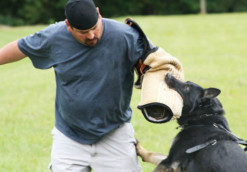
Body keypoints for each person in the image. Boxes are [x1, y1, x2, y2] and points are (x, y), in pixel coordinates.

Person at [0, 0, 149, 171]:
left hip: (115, 132)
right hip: (69, 136)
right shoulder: (54, 36)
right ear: (68, 26)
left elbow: (156, 62)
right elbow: (21, 47)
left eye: (95, 27)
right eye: (84, 32)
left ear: (99, 14)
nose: (92, 35)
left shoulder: (125, 35)